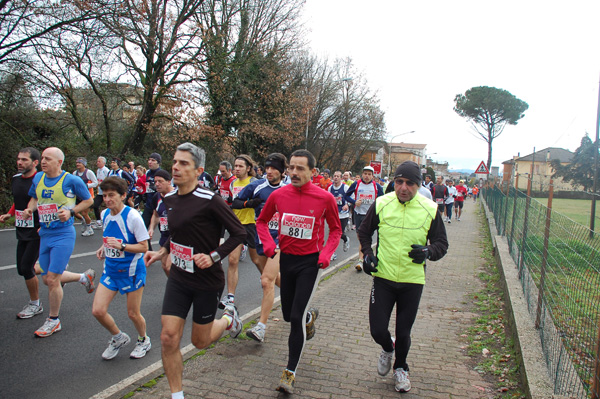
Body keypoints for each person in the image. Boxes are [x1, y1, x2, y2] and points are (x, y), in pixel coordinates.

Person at [143, 143, 246, 399]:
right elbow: (175, 233)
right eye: (174, 162)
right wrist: (162, 251)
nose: (176, 167)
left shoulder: (211, 201)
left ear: (199, 171)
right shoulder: (168, 199)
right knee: (168, 337)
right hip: (179, 276)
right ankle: (177, 395)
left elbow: (239, 233)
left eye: (183, 163)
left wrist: (214, 256)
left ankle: (228, 320)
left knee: (200, 342)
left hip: (206, 281)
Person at [357, 161, 448, 393]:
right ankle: (388, 349)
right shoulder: (381, 203)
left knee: (403, 332)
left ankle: (401, 368)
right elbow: (364, 231)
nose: (403, 187)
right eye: (399, 182)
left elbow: (441, 244)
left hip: (412, 281)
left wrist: (428, 252)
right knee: (378, 330)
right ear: (393, 183)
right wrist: (367, 255)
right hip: (384, 278)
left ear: (418, 185)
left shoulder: (430, 209)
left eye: (409, 183)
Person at [256, 149, 342, 394]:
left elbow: (335, 230)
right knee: (288, 315)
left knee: (294, 318)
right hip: (287, 260)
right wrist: (269, 244)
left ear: (312, 172)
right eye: (291, 167)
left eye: (300, 168)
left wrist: (326, 254)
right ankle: (308, 318)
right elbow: (262, 221)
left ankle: (289, 372)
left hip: (310, 263)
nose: (293, 172)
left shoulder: (325, 198)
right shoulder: (279, 195)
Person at [21, 147, 97, 337]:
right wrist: (30, 209)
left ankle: (53, 320)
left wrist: (70, 212)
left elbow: (88, 201)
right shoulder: (38, 178)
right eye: (43, 158)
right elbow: (35, 198)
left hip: (63, 234)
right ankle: (83, 277)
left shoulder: (71, 180)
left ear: (59, 162)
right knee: (47, 278)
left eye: (48, 158)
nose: (43, 161)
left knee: (53, 279)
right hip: (45, 233)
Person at [92, 177, 151, 360]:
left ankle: (143, 340)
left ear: (123, 196)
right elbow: (110, 238)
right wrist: (104, 248)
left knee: (133, 313)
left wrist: (122, 247)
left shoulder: (133, 216)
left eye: (112, 195)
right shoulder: (104, 215)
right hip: (110, 270)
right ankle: (118, 337)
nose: (107, 200)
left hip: (131, 271)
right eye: (105, 196)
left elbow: (144, 247)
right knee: (98, 311)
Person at [234, 153, 287, 342]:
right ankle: (299, 304)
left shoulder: (289, 188)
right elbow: (236, 202)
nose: (270, 171)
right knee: (269, 276)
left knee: (266, 281)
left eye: (274, 168)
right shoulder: (257, 186)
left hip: (281, 242)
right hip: (261, 238)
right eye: (267, 167)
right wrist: (251, 203)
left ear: (282, 171)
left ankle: (261, 327)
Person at [0, 148, 43, 318]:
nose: (19, 162)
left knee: (26, 267)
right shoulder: (16, 179)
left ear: (35, 163)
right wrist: (10, 213)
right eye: (19, 159)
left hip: (38, 228)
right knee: (21, 268)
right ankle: (53, 269)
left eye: (24, 160)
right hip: (21, 227)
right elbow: (18, 200)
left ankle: (35, 304)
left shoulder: (41, 180)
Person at [218, 154, 262, 309]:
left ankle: (269, 281)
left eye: (240, 166)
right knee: (232, 260)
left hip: (251, 224)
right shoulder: (233, 183)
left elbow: (259, 202)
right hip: (236, 225)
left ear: (248, 168)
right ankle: (230, 297)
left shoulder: (254, 182)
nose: (237, 169)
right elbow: (232, 202)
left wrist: (246, 204)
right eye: (235, 166)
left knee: (257, 261)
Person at [344, 165, 384, 271]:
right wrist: (354, 202)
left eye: (369, 174)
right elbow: (346, 196)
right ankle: (366, 255)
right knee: (361, 238)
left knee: (365, 238)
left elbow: (383, 199)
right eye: (365, 174)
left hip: (370, 216)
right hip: (358, 214)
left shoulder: (376, 186)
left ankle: (361, 260)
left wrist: (377, 206)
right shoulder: (356, 184)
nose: (367, 176)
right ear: (362, 174)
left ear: (372, 176)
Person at [148, 169, 175, 276]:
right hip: (164, 235)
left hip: (177, 236)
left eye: (160, 181)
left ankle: (178, 289)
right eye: (155, 182)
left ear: (169, 181)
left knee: (169, 265)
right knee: (164, 266)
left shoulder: (177, 195)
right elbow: (155, 215)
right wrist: (151, 228)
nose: (157, 184)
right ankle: (175, 287)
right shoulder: (156, 197)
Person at [72, 157, 98, 237]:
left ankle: (89, 229)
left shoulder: (88, 172)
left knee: (84, 213)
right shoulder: (74, 173)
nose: (77, 164)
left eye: (79, 163)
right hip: (77, 196)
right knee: (73, 212)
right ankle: (83, 222)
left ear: (84, 164)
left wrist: (86, 185)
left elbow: (95, 183)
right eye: (77, 163)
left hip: (87, 196)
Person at [328, 170, 351, 259]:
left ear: (341, 178)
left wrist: (347, 204)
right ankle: (332, 253)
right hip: (334, 214)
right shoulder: (330, 188)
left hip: (343, 215)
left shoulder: (345, 188)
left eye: (338, 176)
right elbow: (328, 200)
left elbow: (351, 197)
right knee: (332, 233)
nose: (336, 178)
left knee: (339, 233)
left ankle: (346, 239)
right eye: (335, 176)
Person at [92, 156, 110, 230]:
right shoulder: (98, 170)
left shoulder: (106, 170)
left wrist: (102, 184)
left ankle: (109, 220)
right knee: (95, 205)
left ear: (104, 163)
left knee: (109, 206)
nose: (97, 163)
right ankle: (99, 221)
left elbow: (109, 180)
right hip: (100, 192)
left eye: (99, 161)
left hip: (106, 192)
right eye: (97, 161)